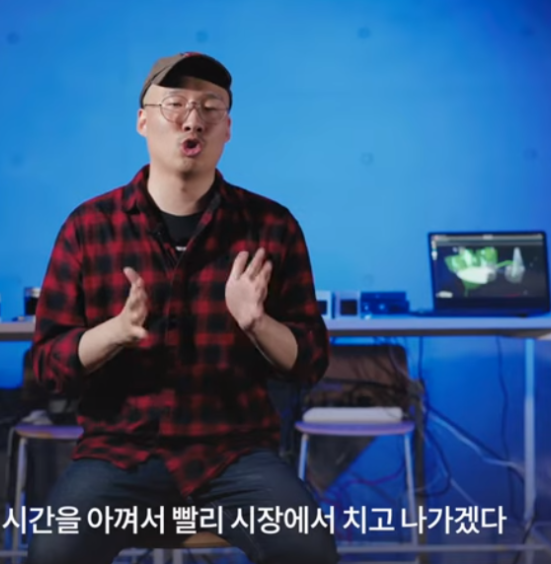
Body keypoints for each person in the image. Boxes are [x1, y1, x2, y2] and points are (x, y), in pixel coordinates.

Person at [28, 52, 338, 564]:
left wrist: (257, 323)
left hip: (235, 455)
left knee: (309, 548)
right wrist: (115, 333)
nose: (193, 120)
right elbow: (46, 368)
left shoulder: (271, 226)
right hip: (117, 455)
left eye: (210, 108)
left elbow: (310, 363)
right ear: (142, 121)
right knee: (53, 553)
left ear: (228, 129)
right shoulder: (89, 227)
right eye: (175, 105)